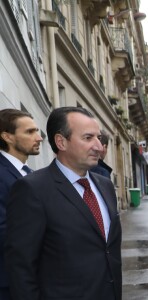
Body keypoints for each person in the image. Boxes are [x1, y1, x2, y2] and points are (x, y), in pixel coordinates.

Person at [5, 107, 122, 300]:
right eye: (87, 138)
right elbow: (21, 267)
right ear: (61, 142)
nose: (99, 147)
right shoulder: (32, 190)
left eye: (98, 138)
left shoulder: (106, 186)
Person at [0, 108, 43, 300]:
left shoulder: (28, 173)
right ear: (7, 137)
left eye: (37, 131)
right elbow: (5, 232)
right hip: (10, 283)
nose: (39, 138)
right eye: (30, 132)